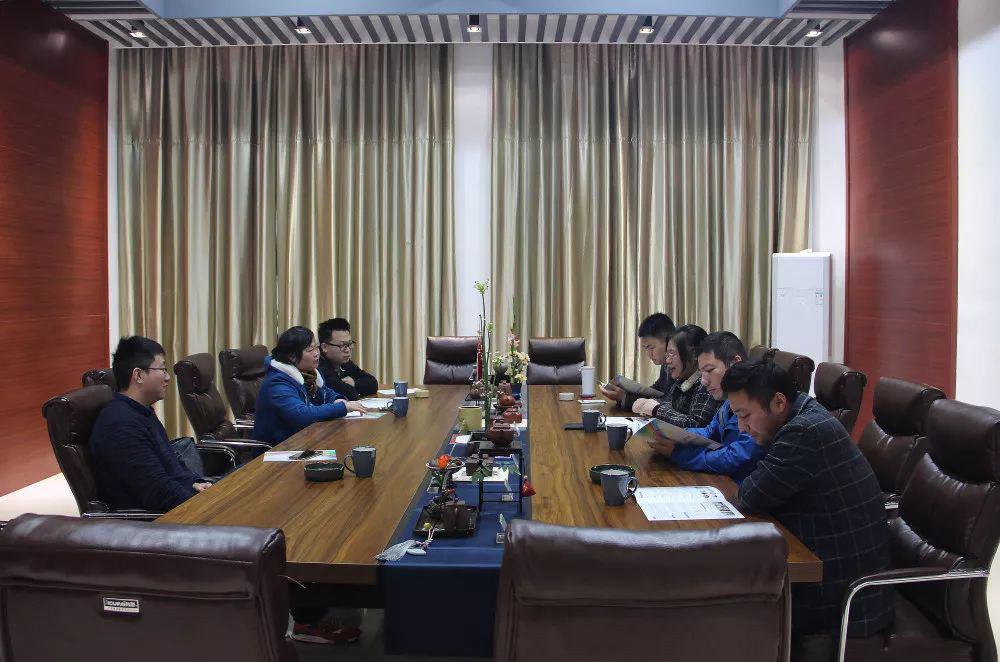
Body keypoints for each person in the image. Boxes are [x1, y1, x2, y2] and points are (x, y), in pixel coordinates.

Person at [722, 361, 892, 658]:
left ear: (778, 402)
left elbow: (751, 495)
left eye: (744, 415)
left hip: (843, 598)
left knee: (723, 602)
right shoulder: (804, 417)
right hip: (835, 575)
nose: (741, 427)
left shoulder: (804, 431)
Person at [90, 336, 212, 512]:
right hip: (153, 521)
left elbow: (171, 464)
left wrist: (194, 483)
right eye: (162, 370)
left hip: (177, 504)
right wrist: (207, 504)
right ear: (139, 375)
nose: (168, 378)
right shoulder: (119, 424)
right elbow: (159, 492)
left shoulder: (141, 410)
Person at [648, 331, 764, 482]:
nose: (703, 381)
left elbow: (738, 457)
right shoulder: (729, 399)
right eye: (701, 372)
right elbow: (710, 431)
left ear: (735, 363)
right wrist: (673, 434)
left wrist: (680, 454)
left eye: (709, 370)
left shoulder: (757, 401)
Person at [253, 326, 367, 446]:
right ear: (292, 356)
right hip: (280, 448)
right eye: (310, 350)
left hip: (305, 439)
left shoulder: (309, 374)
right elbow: (301, 415)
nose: (316, 353)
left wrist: (336, 399)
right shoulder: (277, 383)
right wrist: (342, 407)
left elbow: (325, 392)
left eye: (316, 347)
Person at [630, 324, 720, 428]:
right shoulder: (681, 378)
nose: (667, 360)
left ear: (695, 354)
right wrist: (649, 403)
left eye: (672, 353)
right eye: (667, 354)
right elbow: (669, 404)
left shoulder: (707, 383)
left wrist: (656, 409)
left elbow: (696, 424)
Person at [599, 312, 676, 410]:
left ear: (668, 342)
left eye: (651, 347)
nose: (649, 354)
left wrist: (624, 398)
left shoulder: (680, 366)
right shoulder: (665, 365)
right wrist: (625, 394)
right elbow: (658, 392)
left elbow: (669, 405)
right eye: (645, 348)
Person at [317, 317, 378, 401]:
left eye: (349, 344)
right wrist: (352, 388)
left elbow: (373, 383)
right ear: (324, 347)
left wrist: (354, 383)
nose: (348, 350)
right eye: (342, 345)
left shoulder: (344, 362)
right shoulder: (318, 364)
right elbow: (350, 394)